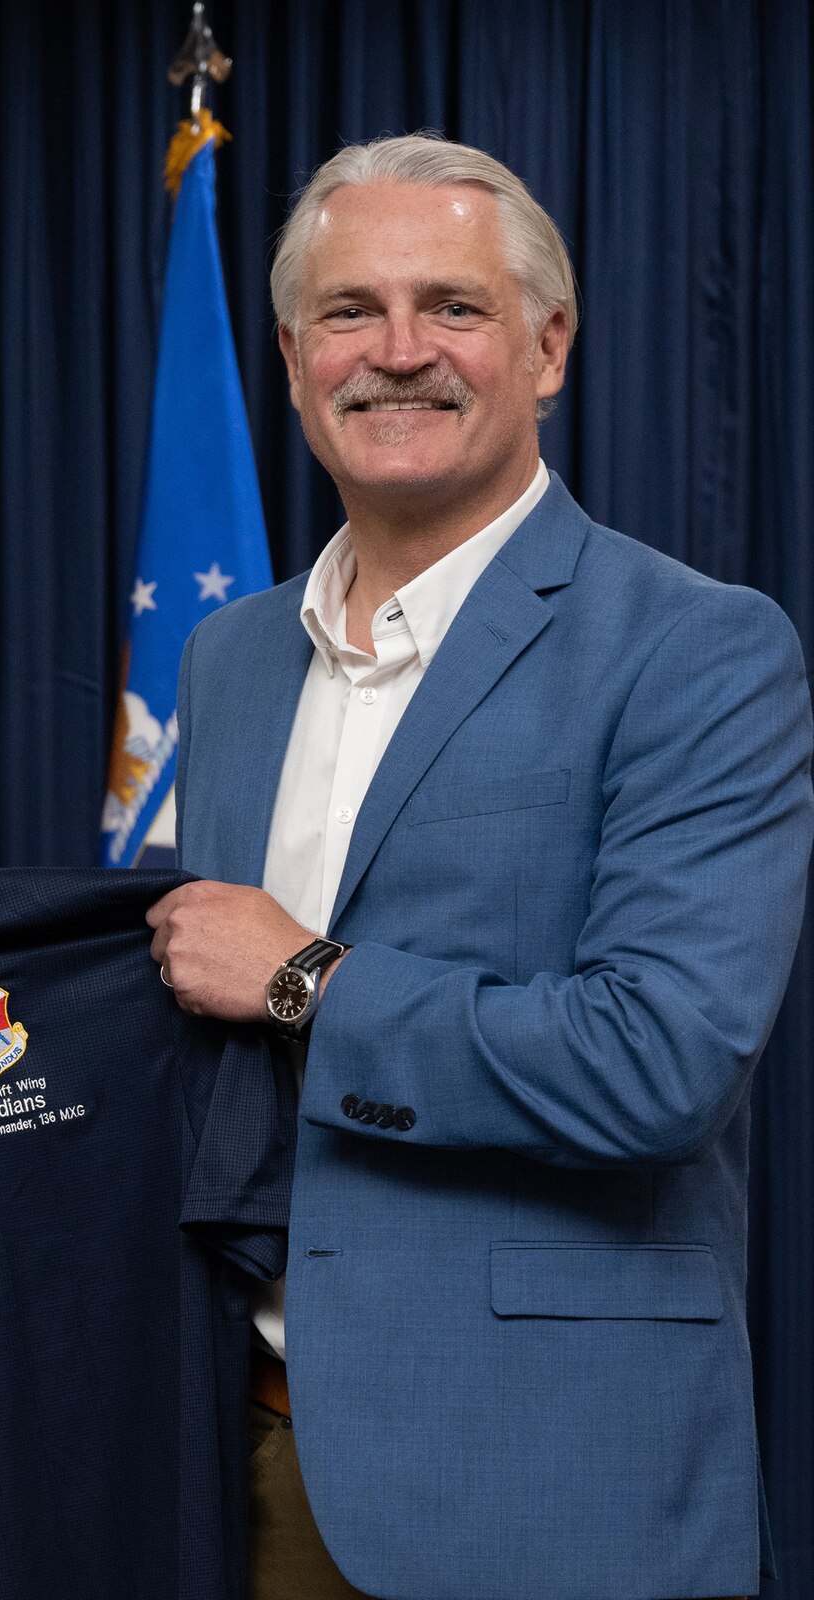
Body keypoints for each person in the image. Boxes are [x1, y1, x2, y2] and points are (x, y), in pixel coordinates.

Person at [150, 133, 812, 1600]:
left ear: (549, 345)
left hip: (543, 1479)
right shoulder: (230, 657)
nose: (398, 354)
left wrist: (306, 979)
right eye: (348, 313)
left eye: (452, 305)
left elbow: (657, 1062)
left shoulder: (696, 648)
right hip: (234, 1463)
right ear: (288, 349)